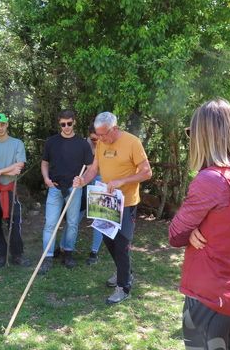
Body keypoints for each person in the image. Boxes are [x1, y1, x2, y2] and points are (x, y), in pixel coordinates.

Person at [169, 99, 230, 350]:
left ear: (205, 135)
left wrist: (191, 228)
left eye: (191, 133)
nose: (190, 140)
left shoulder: (211, 179)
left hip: (206, 296)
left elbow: (175, 234)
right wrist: (195, 226)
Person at [73, 111, 152, 304]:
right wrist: (82, 180)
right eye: (97, 135)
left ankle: (123, 287)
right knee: (108, 240)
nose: (100, 139)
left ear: (115, 128)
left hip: (126, 202)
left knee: (122, 244)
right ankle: (124, 272)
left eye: (103, 134)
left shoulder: (132, 142)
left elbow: (147, 172)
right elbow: (94, 169)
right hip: (105, 200)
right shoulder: (101, 143)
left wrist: (122, 181)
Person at [39, 110, 93, 274]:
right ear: (59, 124)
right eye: (63, 124)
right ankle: (47, 257)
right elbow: (44, 163)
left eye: (69, 123)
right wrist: (46, 179)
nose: (66, 127)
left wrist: (82, 180)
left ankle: (68, 253)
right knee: (50, 223)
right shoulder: (51, 142)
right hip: (55, 187)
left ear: (74, 122)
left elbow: (90, 167)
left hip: (74, 188)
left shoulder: (83, 144)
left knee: (72, 222)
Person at [0, 113, 30, 268]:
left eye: (2, 124)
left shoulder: (17, 143)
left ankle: (17, 255)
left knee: (14, 224)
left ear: (7, 124)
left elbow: (20, 164)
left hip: (10, 190)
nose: (0, 128)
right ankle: (1, 255)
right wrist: (5, 172)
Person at [83, 122, 104, 265]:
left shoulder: (108, 143)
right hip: (85, 179)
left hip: (101, 182)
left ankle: (94, 252)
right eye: (93, 139)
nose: (96, 141)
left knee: (98, 217)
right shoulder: (86, 143)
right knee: (78, 213)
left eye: (98, 138)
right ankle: (65, 247)